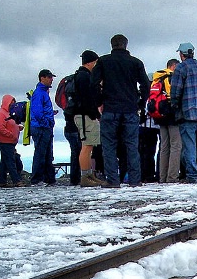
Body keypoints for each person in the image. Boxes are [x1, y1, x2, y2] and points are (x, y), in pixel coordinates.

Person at [91, 33, 150, 187]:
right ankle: (135, 180)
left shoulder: (103, 61)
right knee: (132, 145)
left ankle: (112, 180)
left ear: (112, 45)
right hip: (130, 108)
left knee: (109, 145)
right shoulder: (136, 63)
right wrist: (141, 103)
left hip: (110, 108)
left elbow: (94, 84)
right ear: (126, 44)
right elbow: (145, 85)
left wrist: (99, 102)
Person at [170, 42, 197, 183]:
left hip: (188, 111)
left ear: (181, 54)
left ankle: (192, 175)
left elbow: (175, 92)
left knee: (189, 144)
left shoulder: (181, 68)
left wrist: (174, 106)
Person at [73, 49, 106, 187]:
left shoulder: (79, 75)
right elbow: (88, 99)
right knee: (87, 146)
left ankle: (88, 174)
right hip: (85, 115)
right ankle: (85, 176)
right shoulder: (84, 77)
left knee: (87, 145)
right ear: (91, 62)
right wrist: (95, 114)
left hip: (82, 114)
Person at [153, 58, 182, 183]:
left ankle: (162, 176)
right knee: (176, 145)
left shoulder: (157, 77)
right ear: (174, 66)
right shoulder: (172, 77)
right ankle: (172, 177)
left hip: (160, 116)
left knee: (164, 146)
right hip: (172, 115)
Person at [30, 69, 57, 186]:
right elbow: (37, 111)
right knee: (41, 153)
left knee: (46, 154)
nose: (52, 80)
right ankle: (37, 179)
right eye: (50, 77)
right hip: (41, 128)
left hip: (44, 127)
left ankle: (48, 178)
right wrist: (47, 122)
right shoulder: (39, 93)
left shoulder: (42, 92)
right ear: (43, 78)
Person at [0, 94, 23, 186]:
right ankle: (16, 180)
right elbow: (0, 128)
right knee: (11, 161)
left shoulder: (9, 113)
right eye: (12, 102)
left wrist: (18, 128)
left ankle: (1, 181)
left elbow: (10, 125)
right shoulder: (1, 113)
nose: (13, 104)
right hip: (5, 141)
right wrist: (11, 135)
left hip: (10, 141)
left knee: (4, 161)